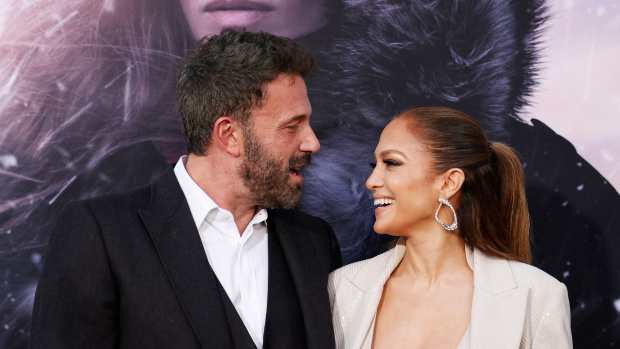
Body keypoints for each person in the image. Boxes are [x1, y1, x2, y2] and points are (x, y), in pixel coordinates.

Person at [30, 30, 342, 349]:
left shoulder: (313, 241)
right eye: (292, 126)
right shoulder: (101, 234)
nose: (312, 142)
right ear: (229, 134)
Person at [328, 107, 572, 349]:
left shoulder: (536, 295)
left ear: (448, 183)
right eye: (375, 165)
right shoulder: (343, 288)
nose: (371, 181)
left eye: (391, 163)